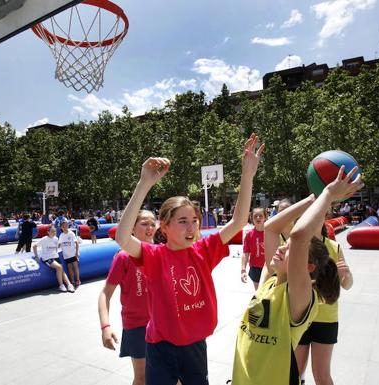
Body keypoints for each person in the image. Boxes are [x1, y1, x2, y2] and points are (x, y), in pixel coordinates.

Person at [115, 133, 264, 385]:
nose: (191, 227)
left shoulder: (204, 250)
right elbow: (122, 237)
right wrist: (144, 184)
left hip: (194, 346)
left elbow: (238, 221)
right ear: (165, 227)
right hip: (160, 347)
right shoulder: (154, 256)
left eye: (194, 221)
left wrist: (247, 175)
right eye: (183, 221)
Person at [232, 165, 362, 385]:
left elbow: (300, 235)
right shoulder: (270, 280)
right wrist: (313, 199)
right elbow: (272, 228)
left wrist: (328, 194)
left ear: (308, 267)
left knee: (321, 374)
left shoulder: (300, 298)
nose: (282, 248)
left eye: (291, 248)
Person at [98, 210, 157, 385]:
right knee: (142, 378)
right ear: (131, 228)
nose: (150, 228)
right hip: (138, 326)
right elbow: (105, 293)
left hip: (162, 323)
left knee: (173, 374)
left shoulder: (161, 251)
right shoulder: (123, 257)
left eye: (153, 223)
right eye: (144, 223)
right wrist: (105, 326)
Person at [295, 224, 354, 385]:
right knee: (296, 371)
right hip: (301, 316)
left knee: (321, 374)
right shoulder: (297, 246)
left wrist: (346, 275)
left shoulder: (334, 247)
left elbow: (347, 285)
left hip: (326, 318)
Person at [32, 225, 74, 293]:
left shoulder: (56, 238)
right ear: (48, 232)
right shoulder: (44, 239)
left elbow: (56, 248)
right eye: (52, 231)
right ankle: (61, 285)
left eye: (55, 231)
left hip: (55, 256)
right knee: (59, 267)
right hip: (47, 257)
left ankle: (69, 284)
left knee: (62, 270)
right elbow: (34, 246)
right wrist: (36, 256)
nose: (54, 233)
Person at [241, 207, 267, 290]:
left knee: (268, 292)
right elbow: (245, 253)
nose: (258, 218)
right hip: (255, 268)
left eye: (260, 216)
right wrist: (243, 269)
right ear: (252, 219)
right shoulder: (249, 235)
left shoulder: (270, 233)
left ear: (265, 217)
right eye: (255, 216)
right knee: (258, 292)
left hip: (268, 267)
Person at [59, 220, 81, 286]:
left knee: (75, 267)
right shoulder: (61, 235)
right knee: (70, 268)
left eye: (66, 226)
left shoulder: (71, 233)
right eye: (63, 226)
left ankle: (78, 280)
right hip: (66, 255)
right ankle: (72, 281)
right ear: (61, 228)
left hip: (73, 253)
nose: (65, 227)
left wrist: (76, 252)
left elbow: (76, 243)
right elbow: (59, 244)